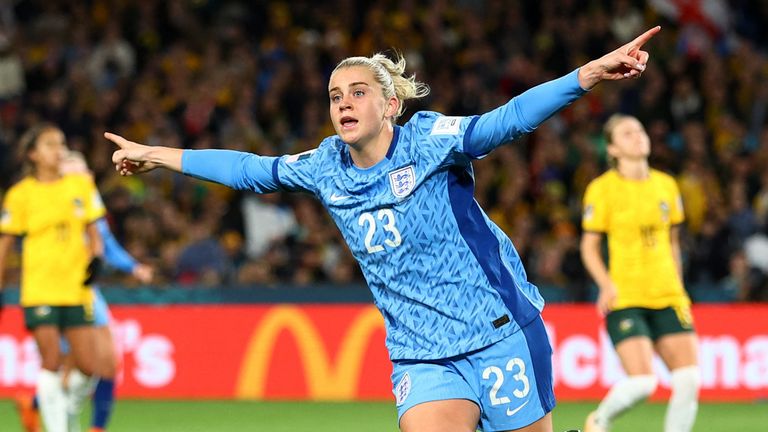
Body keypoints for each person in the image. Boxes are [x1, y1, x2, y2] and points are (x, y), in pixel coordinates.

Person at [106, 27, 660, 432]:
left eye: (357, 91)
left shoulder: (429, 140)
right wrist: (157, 154)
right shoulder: (325, 167)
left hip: (497, 330)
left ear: (390, 104)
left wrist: (586, 75)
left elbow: (504, 121)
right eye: (334, 96)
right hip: (421, 354)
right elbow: (248, 170)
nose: (343, 102)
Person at [14, 151, 155, 432]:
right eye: (79, 172)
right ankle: (72, 419)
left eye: (87, 171)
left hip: (88, 292)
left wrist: (133, 268)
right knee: (89, 364)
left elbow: (106, 245)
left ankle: (44, 408)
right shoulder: (60, 206)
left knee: (88, 365)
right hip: (64, 293)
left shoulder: (88, 204)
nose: (87, 176)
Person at [580, 114, 699, 432]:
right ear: (613, 148)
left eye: (640, 130)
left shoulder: (666, 184)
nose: (638, 136)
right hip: (626, 295)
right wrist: (605, 285)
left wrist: (679, 284)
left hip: (668, 293)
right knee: (644, 382)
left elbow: (673, 243)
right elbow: (589, 247)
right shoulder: (602, 189)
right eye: (627, 133)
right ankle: (599, 421)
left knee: (689, 379)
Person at [0, 124, 106, 432]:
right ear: (33, 154)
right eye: (49, 145)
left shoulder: (81, 186)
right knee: (51, 360)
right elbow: (5, 245)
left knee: (88, 367)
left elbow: (94, 231)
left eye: (60, 144)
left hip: (76, 288)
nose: (58, 150)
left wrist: (96, 257)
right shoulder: (21, 195)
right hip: (40, 288)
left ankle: (68, 414)